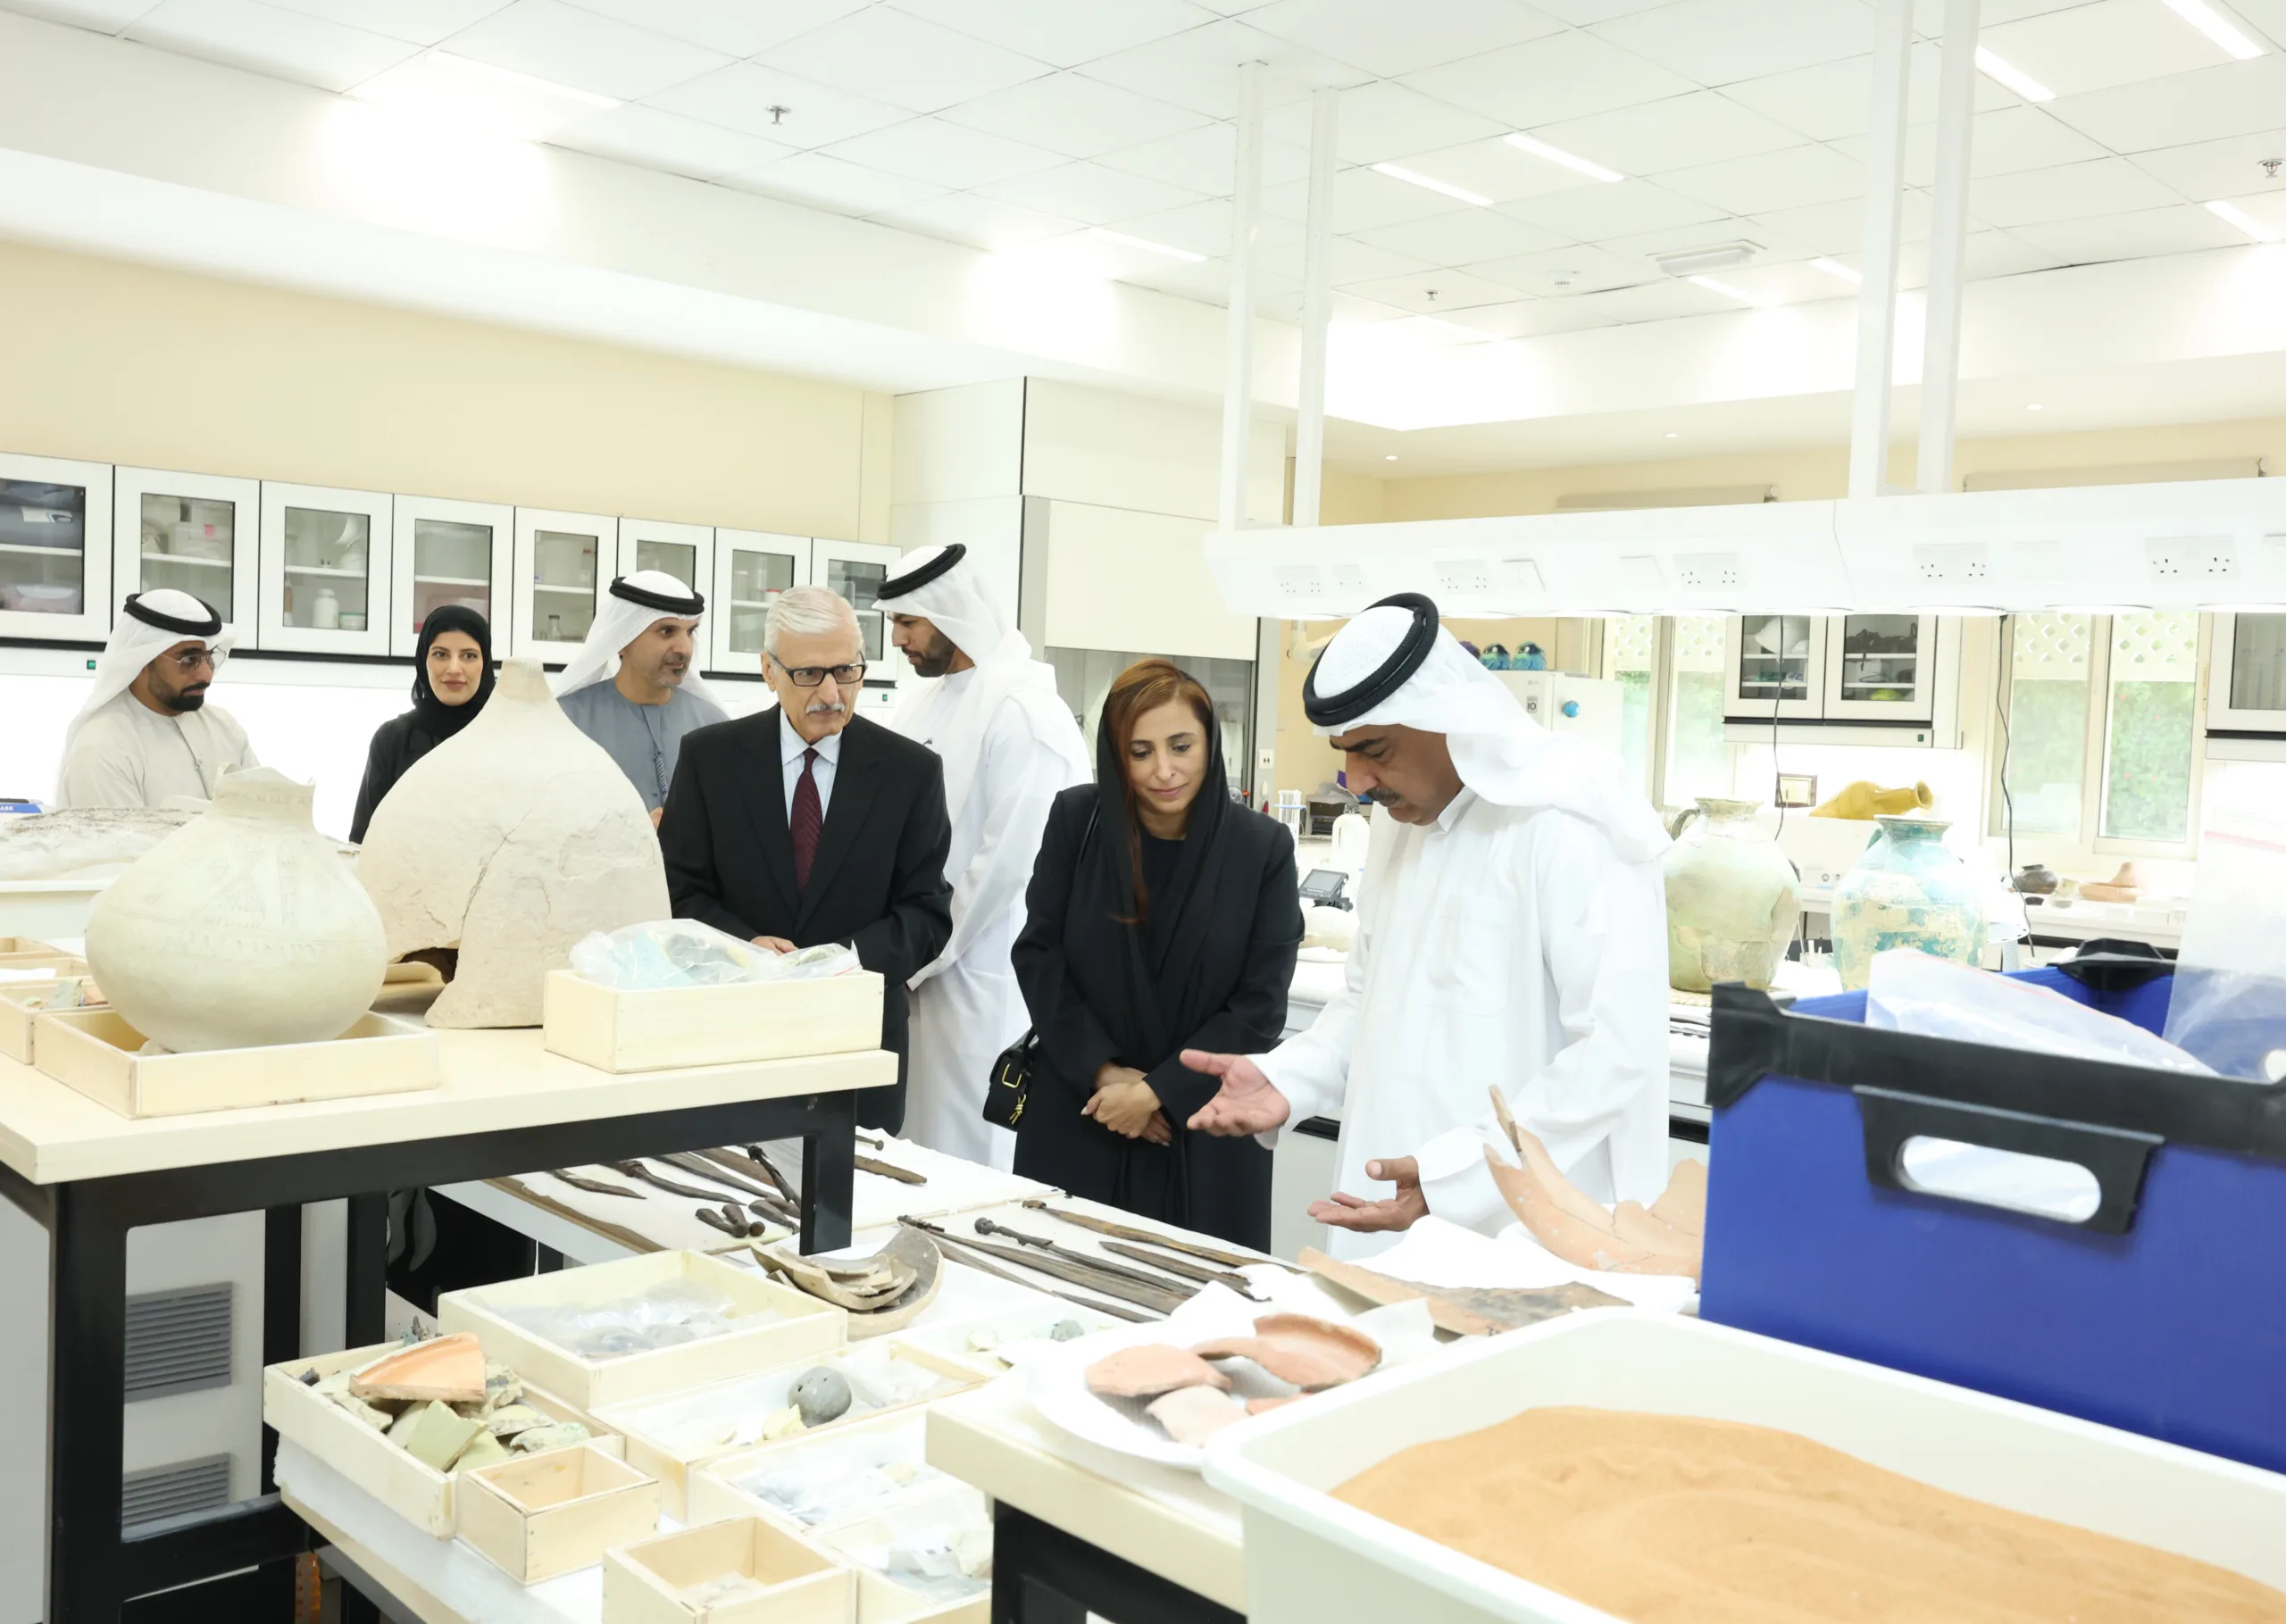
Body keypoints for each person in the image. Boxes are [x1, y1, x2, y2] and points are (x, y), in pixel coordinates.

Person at [1187, 592, 1671, 1260]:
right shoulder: (1397, 825)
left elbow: (1616, 1055)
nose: (1356, 780)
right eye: (1344, 752)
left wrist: (1456, 1174)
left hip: (1524, 1235)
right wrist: (1289, 1076)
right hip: (1386, 1210)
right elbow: (1368, 997)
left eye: (1375, 749)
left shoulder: (1567, 820)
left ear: (1448, 719)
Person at [1011, 660, 1302, 1251]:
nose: (1164, 770)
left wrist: (1156, 1092)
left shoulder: (1260, 847)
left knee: (1201, 1311)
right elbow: (1040, 954)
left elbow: (1260, 1004)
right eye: (1140, 751)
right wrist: (1107, 1073)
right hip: (1086, 1108)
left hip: (1203, 1124)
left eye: (1181, 745)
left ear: (1210, 743)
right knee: (1059, 1295)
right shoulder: (1078, 820)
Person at [658, 586, 953, 1132]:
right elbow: (679, 892)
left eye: (847, 672)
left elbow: (927, 913)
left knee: (851, 1205)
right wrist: (744, 948)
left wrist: (840, 960)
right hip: (735, 1032)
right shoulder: (711, 759)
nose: (832, 693)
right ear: (769, 671)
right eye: (809, 674)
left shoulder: (909, 772)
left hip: (858, 1040)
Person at [876, 545, 1090, 1170]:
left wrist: (917, 953)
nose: (899, 641)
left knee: (972, 1156)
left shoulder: (1025, 713)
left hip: (983, 980)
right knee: (909, 1153)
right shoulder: (922, 703)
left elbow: (1007, 866)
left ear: (951, 614)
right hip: (915, 974)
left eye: (908, 623)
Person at [54, 589, 258, 808]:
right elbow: (118, 842)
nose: (207, 674)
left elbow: (264, 814)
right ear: (142, 660)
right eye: (189, 659)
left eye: (209, 657)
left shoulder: (224, 726)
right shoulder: (102, 749)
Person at [555, 571, 729, 822]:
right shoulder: (567, 721)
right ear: (622, 640)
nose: (684, 648)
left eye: (690, 632)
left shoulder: (714, 724)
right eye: (667, 631)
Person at [349, 605, 496, 842]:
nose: (454, 669)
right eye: (441, 654)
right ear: (423, 660)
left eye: (469, 655)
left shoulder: (507, 737)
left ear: (485, 662)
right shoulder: (392, 740)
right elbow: (363, 840)